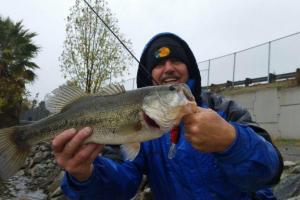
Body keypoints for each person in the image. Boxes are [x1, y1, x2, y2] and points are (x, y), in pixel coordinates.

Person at [52, 32, 283, 200]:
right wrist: (85, 175)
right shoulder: (143, 136)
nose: (169, 68)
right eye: (159, 64)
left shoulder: (224, 109)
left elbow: (270, 171)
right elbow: (118, 188)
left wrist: (232, 142)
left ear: (189, 68)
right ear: (150, 77)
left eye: (176, 60)